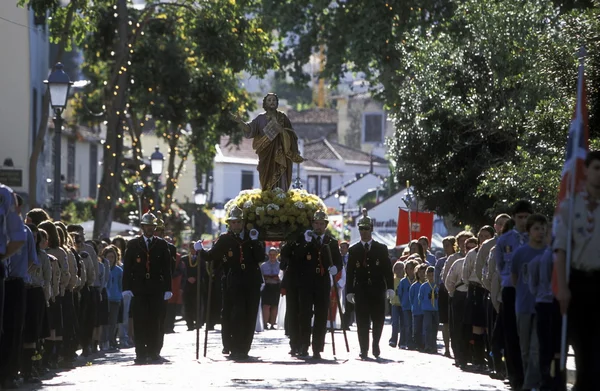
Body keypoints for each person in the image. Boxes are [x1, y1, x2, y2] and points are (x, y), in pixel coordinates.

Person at [199, 206, 264, 359]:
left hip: (251, 280)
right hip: (233, 280)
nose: (236, 225)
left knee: (250, 313)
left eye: (239, 222)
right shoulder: (225, 238)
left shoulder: (252, 236)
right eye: (233, 222)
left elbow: (261, 257)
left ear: (243, 223)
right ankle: (234, 345)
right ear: (229, 223)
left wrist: (255, 242)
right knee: (236, 312)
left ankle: (244, 347)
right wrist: (200, 250)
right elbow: (211, 257)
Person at [284, 210, 342, 359]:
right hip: (306, 283)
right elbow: (296, 257)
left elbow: (338, 262)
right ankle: (304, 345)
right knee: (305, 314)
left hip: (322, 282)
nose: (318, 226)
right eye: (316, 223)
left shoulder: (331, 242)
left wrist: (335, 268)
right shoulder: (304, 240)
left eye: (321, 224)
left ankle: (318, 347)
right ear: (312, 224)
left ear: (326, 225)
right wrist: (306, 243)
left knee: (322, 315)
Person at [122, 213, 173, 364]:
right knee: (139, 321)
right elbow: (128, 268)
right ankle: (140, 353)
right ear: (143, 227)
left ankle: (153, 351)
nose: (150, 228)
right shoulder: (133, 244)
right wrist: (126, 287)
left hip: (156, 289)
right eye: (147, 226)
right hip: (139, 289)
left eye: (152, 226)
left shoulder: (161, 244)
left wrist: (167, 288)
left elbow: (166, 269)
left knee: (154, 321)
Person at [346, 210, 394, 359]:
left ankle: (375, 345)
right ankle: (364, 349)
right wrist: (350, 290)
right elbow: (350, 272)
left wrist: (390, 287)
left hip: (377, 289)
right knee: (361, 321)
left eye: (366, 228)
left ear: (371, 229)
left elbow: (387, 269)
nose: (364, 232)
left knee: (378, 320)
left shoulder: (381, 248)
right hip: (361, 290)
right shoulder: (353, 250)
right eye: (361, 228)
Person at [231, 93, 304, 191]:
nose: (272, 102)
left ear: (277, 103)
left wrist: (281, 130)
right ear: (265, 103)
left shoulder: (283, 117)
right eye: (269, 100)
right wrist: (240, 122)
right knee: (266, 180)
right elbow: (249, 129)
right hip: (265, 155)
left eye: (274, 100)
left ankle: (281, 197)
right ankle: (266, 196)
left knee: (281, 179)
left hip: (281, 155)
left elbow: (292, 135)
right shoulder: (260, 118)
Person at [496, 200, 533, 390]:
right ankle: (515, 376)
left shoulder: (536, 238)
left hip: (531, 290)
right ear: (514, 218)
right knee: (511, 334)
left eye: (527, 217)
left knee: (529, 334)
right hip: (511, 290)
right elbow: (500, 265)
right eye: (520, 217)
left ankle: (529, 375)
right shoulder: (504, 240)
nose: (523, 221)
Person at [435, 236, 456, 357]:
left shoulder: (459, 258)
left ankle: (455, 347)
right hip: (444, 292)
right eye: (444, 246)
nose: (445, 248)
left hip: (456, 291)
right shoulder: (440, 262)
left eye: (447, 245)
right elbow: (438, 280)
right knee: (445, 322)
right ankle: (447, 348)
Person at [182, 241, 206, 331]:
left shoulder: (201, 259)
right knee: (188, 305)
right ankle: (189, 324)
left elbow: (203, 271)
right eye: (192, 248)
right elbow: (182, 271)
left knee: (198, 305)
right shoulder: (184, 259)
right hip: (187, 285)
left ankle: (198, 322)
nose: (193, 250)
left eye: (195, 249)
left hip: (197, 285)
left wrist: (196, 278)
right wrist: (188, 278)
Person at [104, 245, 123, 350]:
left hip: (115, 299)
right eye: (108, 257)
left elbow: (121, 285)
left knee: (113, 321)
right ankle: (104, 341)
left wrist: (119, 296)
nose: (110, 259)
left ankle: (112, 340)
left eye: (112, 257)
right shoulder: (102, 268)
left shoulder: (119, 271)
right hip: (104, 298)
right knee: (104, 322)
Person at [398, 258, 418, 350]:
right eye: (408, 268)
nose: (410, 271)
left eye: (412, 268)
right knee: (407, 324)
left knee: (414, 325)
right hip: (406, 306)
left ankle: (412, 342)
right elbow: (400, 293)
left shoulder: (417, 281)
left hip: (415, 306)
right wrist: (403, 303)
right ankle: (403, 342)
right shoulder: (403, 281)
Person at [419, 266, 439, 354]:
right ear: (426, 275)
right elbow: (420, 297)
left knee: (435, 327)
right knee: (428, 327)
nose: (431, 277)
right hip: (427, 309)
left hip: (436, 309)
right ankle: (428, 345)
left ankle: (434, 345)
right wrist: (423, 305)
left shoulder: (437, 285)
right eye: (429, 275)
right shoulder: (423, 286)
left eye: (433, 275)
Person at [261, 247, 281, 330]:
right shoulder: (264, 265)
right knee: (266, 305)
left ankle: (273, 324)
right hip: (267, 287)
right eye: (270, 255)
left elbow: (281, 276)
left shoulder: (280, 265)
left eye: (274, 255)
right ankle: (265, 323)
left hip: (276, 287)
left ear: (276, 255)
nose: (272, 256)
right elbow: (261, 276)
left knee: (275, 306)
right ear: (268, 255)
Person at [388, 260, 404, 348]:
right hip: (394, 304)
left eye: (401, 268)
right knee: (395, 323)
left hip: (403, 305)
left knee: (403, 323)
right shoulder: (392, 280)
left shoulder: (405, 280)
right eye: (397, 268)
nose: (399, 270)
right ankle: (393, 340)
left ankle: (402, 341)